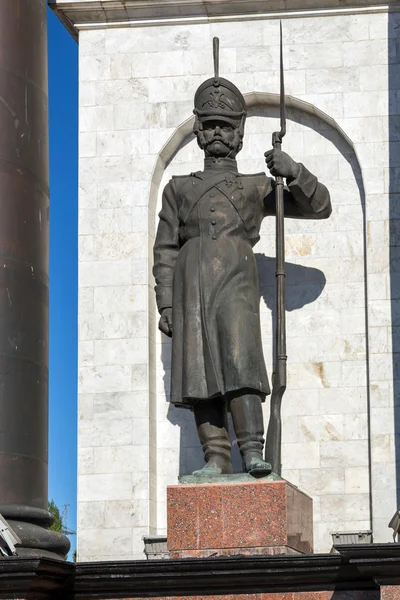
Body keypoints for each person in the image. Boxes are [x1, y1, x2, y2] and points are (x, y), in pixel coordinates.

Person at [153, 68, 331, 477]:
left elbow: (320, 206)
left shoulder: (255, 186)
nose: (217, 133)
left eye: (226, 127)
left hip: (237, 280)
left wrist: (294, 171)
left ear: (240, 134)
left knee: (241, 361)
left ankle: (252, 450)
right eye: (210, 126)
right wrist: (165, 301)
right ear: (198, 132)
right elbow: (164, 248)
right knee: (199, 370)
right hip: (190, 286)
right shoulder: (178, 188)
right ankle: (215, 457)